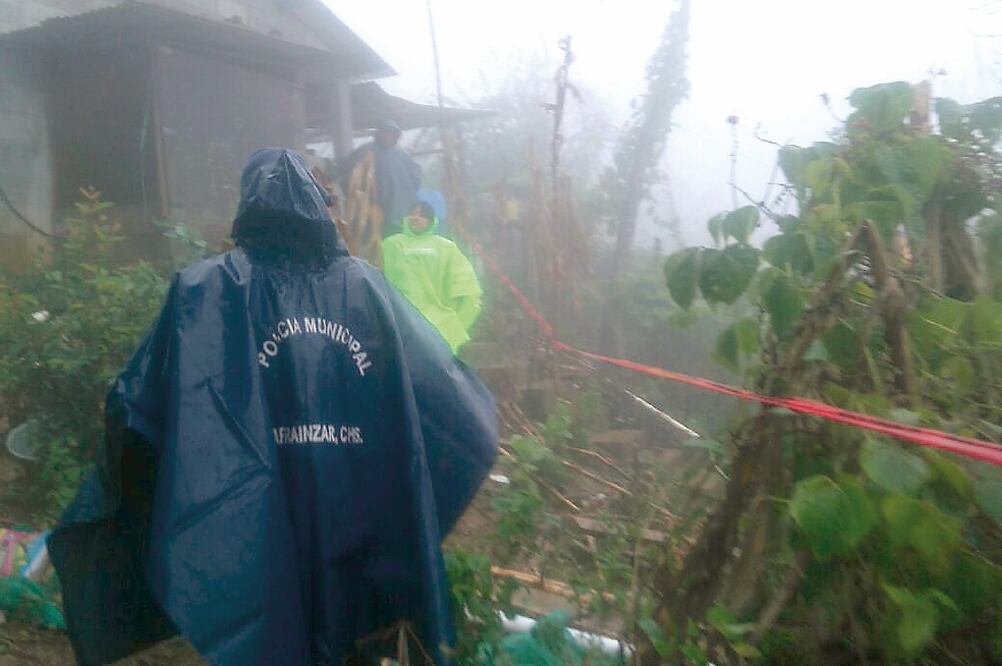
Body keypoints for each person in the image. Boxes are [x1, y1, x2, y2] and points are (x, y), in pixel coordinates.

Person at [48, 148, 497, 666]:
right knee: (344, 633)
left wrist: (125, 497)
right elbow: (453, 413)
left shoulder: (203, 290)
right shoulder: (367, 290)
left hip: (248, 525)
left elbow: (138, 405)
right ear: (320, 204)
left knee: (266, 626)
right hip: (352, 517)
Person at [382, 200, 482, 354]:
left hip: (438, 320)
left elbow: (464, 284)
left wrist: (457, 320)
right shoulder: (391, 244)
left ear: (431, 220)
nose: (415, 218)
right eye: (412, 213)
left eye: (422, 215)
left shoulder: (446, 247)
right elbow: (380, 275)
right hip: (400, 317)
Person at [336, 119, 422, 236]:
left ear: (396, 136)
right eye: (385, 133)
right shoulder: (366, 150)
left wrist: (409, 190)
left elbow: (415, 172)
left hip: (399, 209)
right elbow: (345, 170)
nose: (388, 137)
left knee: (397, 237)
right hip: (373, 207)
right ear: (379, 134)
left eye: (392, 134)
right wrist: (356, 194)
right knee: (375, 238)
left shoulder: (400, 154)